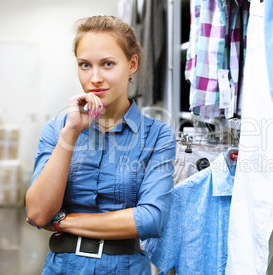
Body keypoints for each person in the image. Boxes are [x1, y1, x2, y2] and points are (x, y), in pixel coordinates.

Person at [25, 15, 176, 274]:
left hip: (126, 268)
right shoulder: (58, 128)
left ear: (132, 64)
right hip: (62, 267)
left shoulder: (158, 135)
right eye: (85, 65)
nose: (95, 78)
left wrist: (62, 221)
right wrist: (70, 134)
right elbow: (38, 213)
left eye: (107, 64)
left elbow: (151, 219)